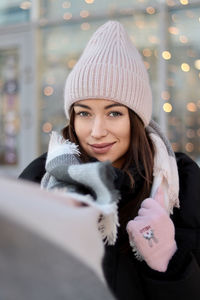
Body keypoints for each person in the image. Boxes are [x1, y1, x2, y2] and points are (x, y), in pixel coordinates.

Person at [19, 21, 200, 300]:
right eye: (84, 113)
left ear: (135, 118)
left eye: (114, 113)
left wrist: (168, 263)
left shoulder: (182, 184)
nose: (97, 131)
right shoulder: (40, 180)